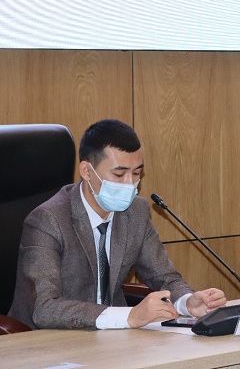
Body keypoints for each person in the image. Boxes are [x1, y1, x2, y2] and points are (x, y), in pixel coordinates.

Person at [9, 119, 227, 330]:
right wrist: (129, 316)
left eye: (136, 173)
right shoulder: (47, 220)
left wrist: (187, 302)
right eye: (119, 174)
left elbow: (164, 277)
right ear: (87, 171)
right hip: (48, 340)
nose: (130, 183)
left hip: (113, 338)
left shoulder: (136, 212)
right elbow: (45, 308)